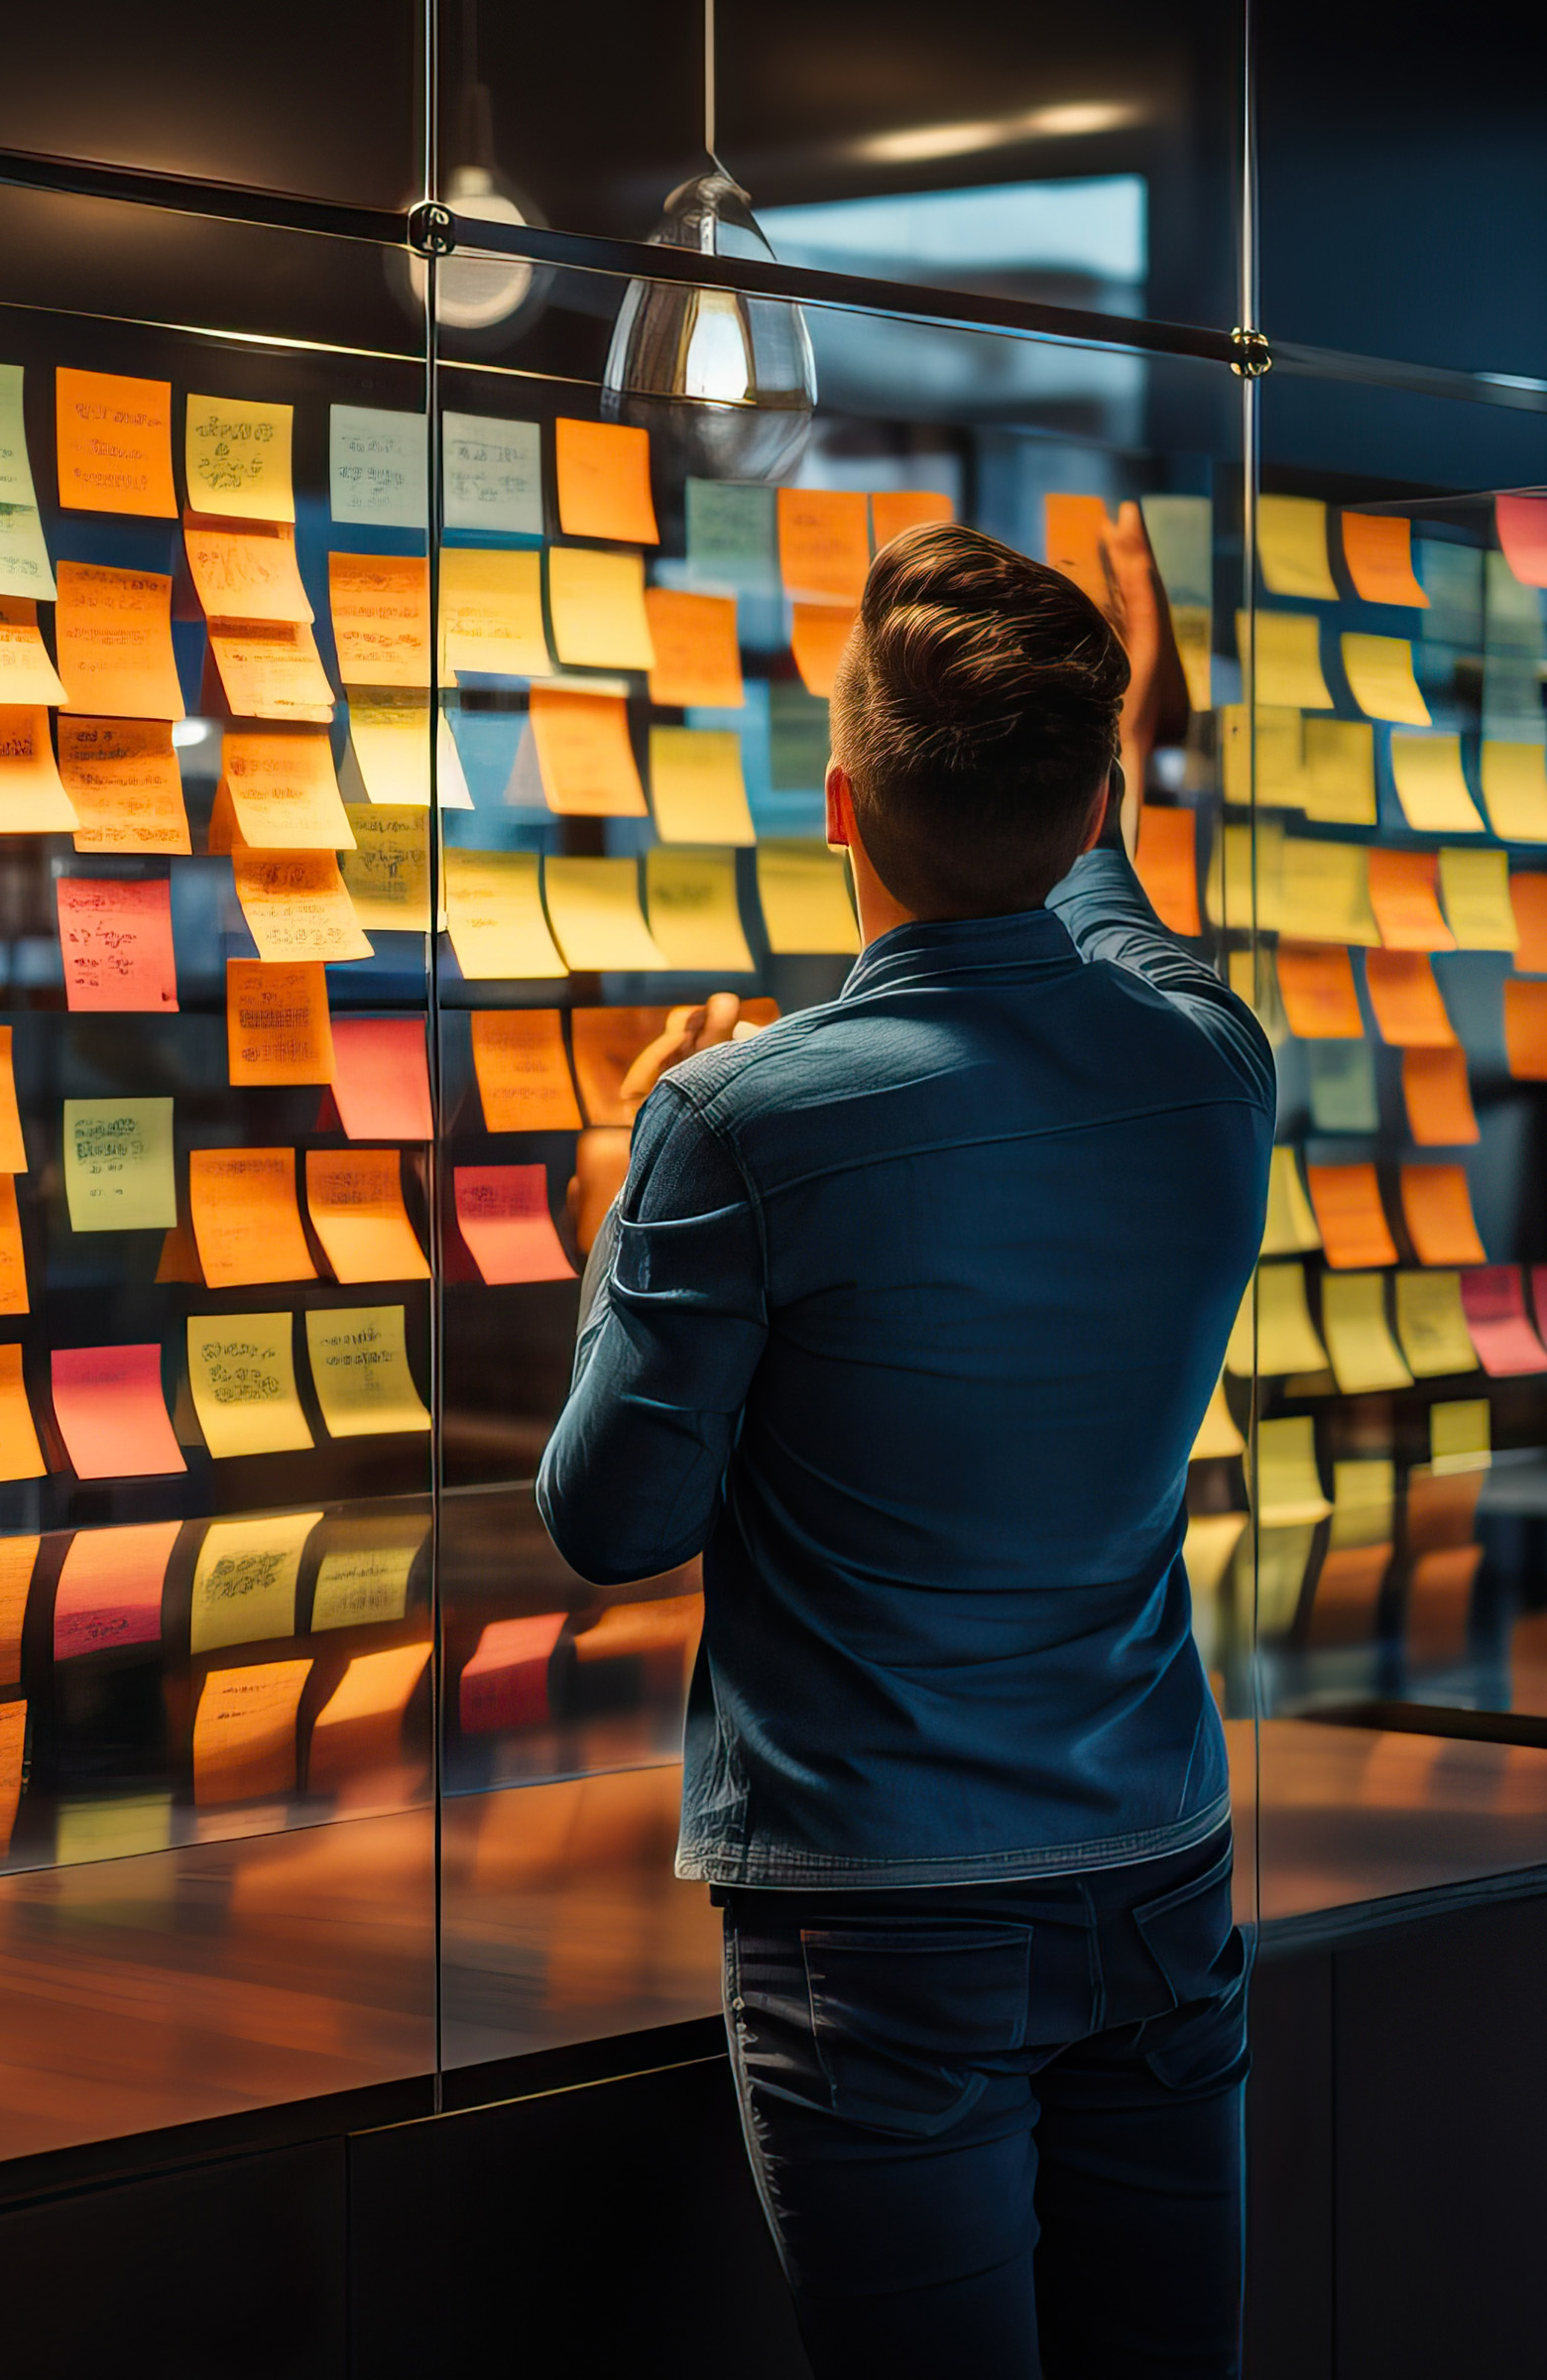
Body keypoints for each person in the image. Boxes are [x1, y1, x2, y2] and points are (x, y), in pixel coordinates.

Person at [536, 514, 1273, 2379]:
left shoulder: (730, 1124)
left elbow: (611, 1521)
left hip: (877, 1923)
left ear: (842, 813)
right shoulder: (1211, 1058)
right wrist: (1138, 715)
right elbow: (1103, 906)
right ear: (1097, 784)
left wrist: (617, 1204)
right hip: (1160, 1877)